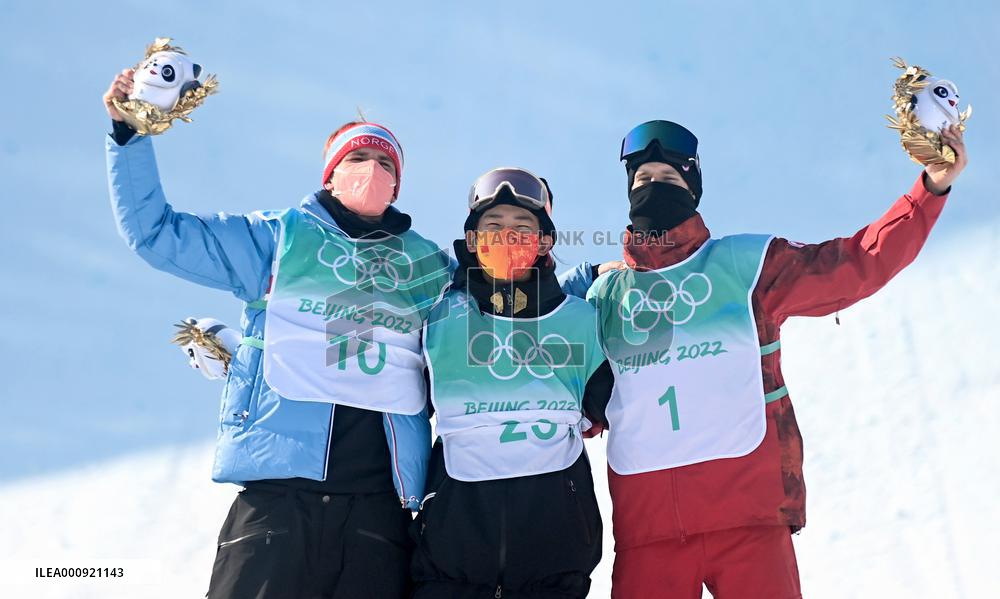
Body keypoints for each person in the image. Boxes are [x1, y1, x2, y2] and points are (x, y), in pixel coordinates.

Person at [103, 68, 452, 599]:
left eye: (386, 163)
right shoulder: (278, 237)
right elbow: (157, 234)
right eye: (358, 157)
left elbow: (500, 312)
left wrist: (597, 278)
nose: (373, 170)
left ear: (398, 184)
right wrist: (129, 137)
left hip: (379, 515)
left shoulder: (426, 265)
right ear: (331, 173)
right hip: (278, 502)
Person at [581, 119, 967, 598]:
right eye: (642, 181)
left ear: (693, 189)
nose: (653, 189)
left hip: (750, 524)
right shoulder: (604, 299)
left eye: (668, 179)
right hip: (650, 536)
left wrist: (928, 189)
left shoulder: (748, 265)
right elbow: (551, 398)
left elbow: (853, 265)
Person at [410, 168, 614, 598]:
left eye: (523, 228)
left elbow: (628, 408)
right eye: (493, 227)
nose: (507, 237)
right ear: (472, 242)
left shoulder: (583, 322)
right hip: (450, 564)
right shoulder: (437, 319)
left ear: (544, 242)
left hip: (554, 563)